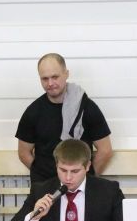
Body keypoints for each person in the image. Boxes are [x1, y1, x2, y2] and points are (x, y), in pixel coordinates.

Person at [16, 53, 113, 183]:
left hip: (80, 186)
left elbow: (105, 151)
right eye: (45, 79)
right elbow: (23, 153)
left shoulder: (86, 107)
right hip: (45, 185)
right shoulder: (33, 112)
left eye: (55, 77)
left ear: (66, 74)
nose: (50, 83)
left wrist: (86, 180)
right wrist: (43, 176)